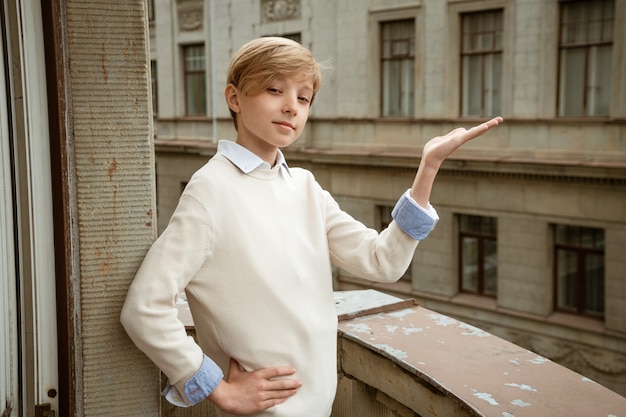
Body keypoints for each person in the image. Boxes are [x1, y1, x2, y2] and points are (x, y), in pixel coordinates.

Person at [121, 36, 502, 417]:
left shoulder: (304, 186)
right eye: (274, 90)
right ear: (234, 98)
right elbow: (144, 308)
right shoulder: (210, 190)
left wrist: (428, 168)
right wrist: (218, 389)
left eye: (303, 98)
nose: (291, 107)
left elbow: (382, 261)